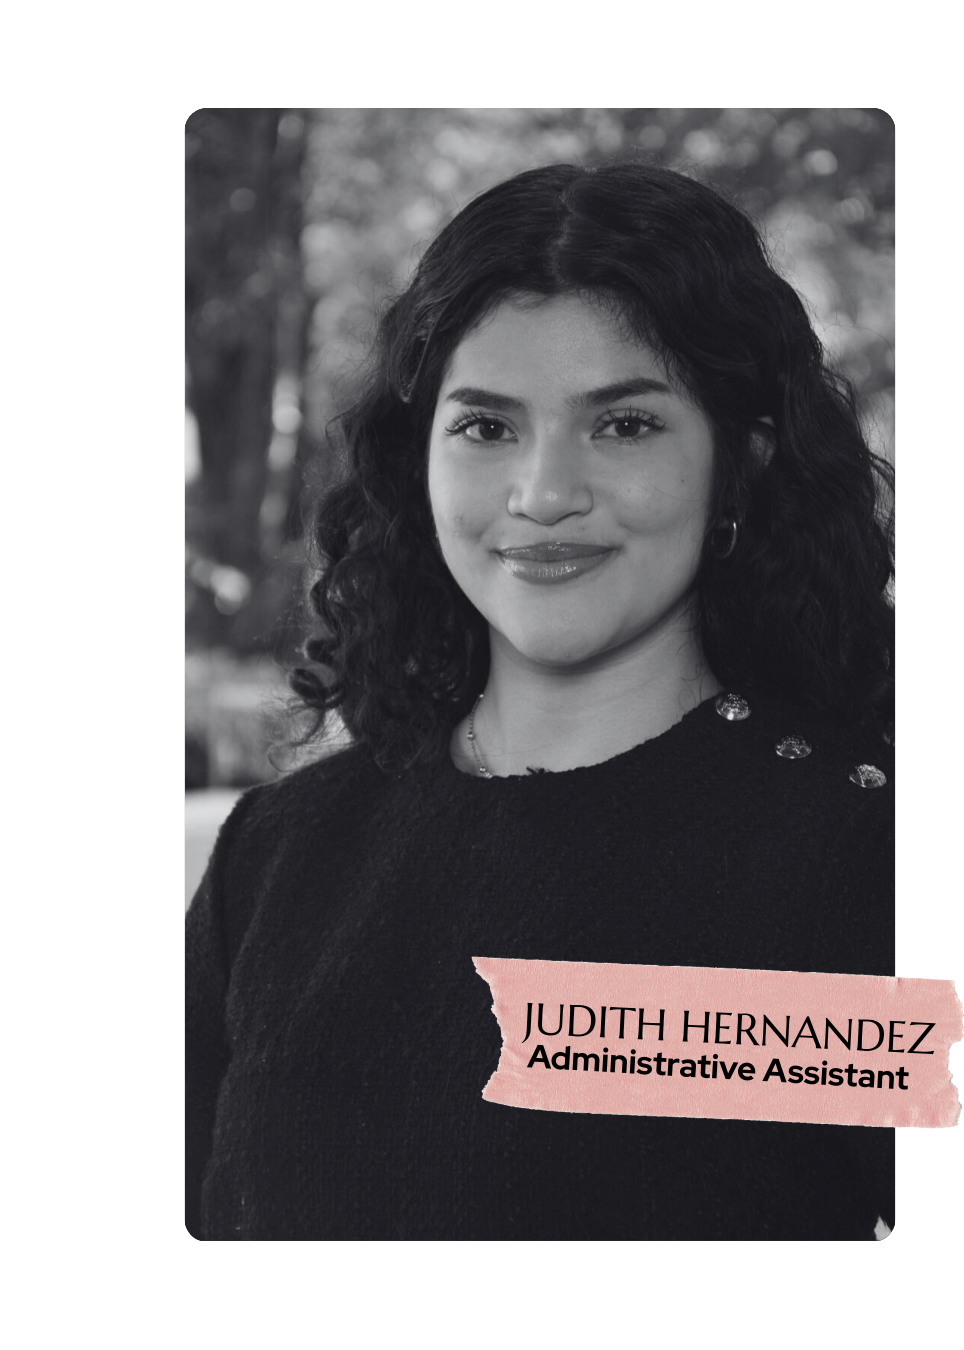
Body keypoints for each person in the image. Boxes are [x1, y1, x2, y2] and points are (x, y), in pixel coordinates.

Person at [185, 160, 895, 1244]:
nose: (544, 494)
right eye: (486, 426)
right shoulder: (273, 858)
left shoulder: (864, 857)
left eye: (625, 425)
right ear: (416, 460)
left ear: (741, 464)